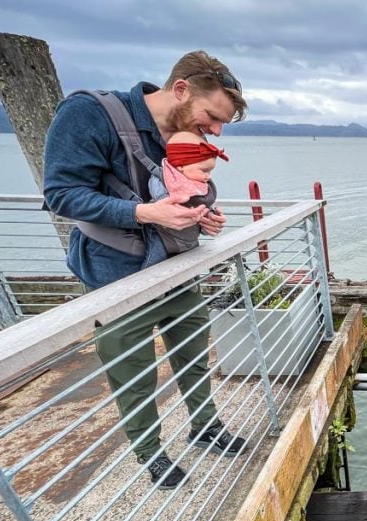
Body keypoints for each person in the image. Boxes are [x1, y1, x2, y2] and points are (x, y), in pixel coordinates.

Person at [43, 51, 249, 489]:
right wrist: (144, 213)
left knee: (194, 351)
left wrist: (203, 212)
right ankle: (150, 452)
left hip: (175, 268)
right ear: (180, 90)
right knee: (133, 371)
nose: (214, 131)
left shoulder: (179, 131)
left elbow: (178, 189)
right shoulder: (88, 113)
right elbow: (61, 194)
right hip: (114, 273)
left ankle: (205, 426)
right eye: (211, 117)